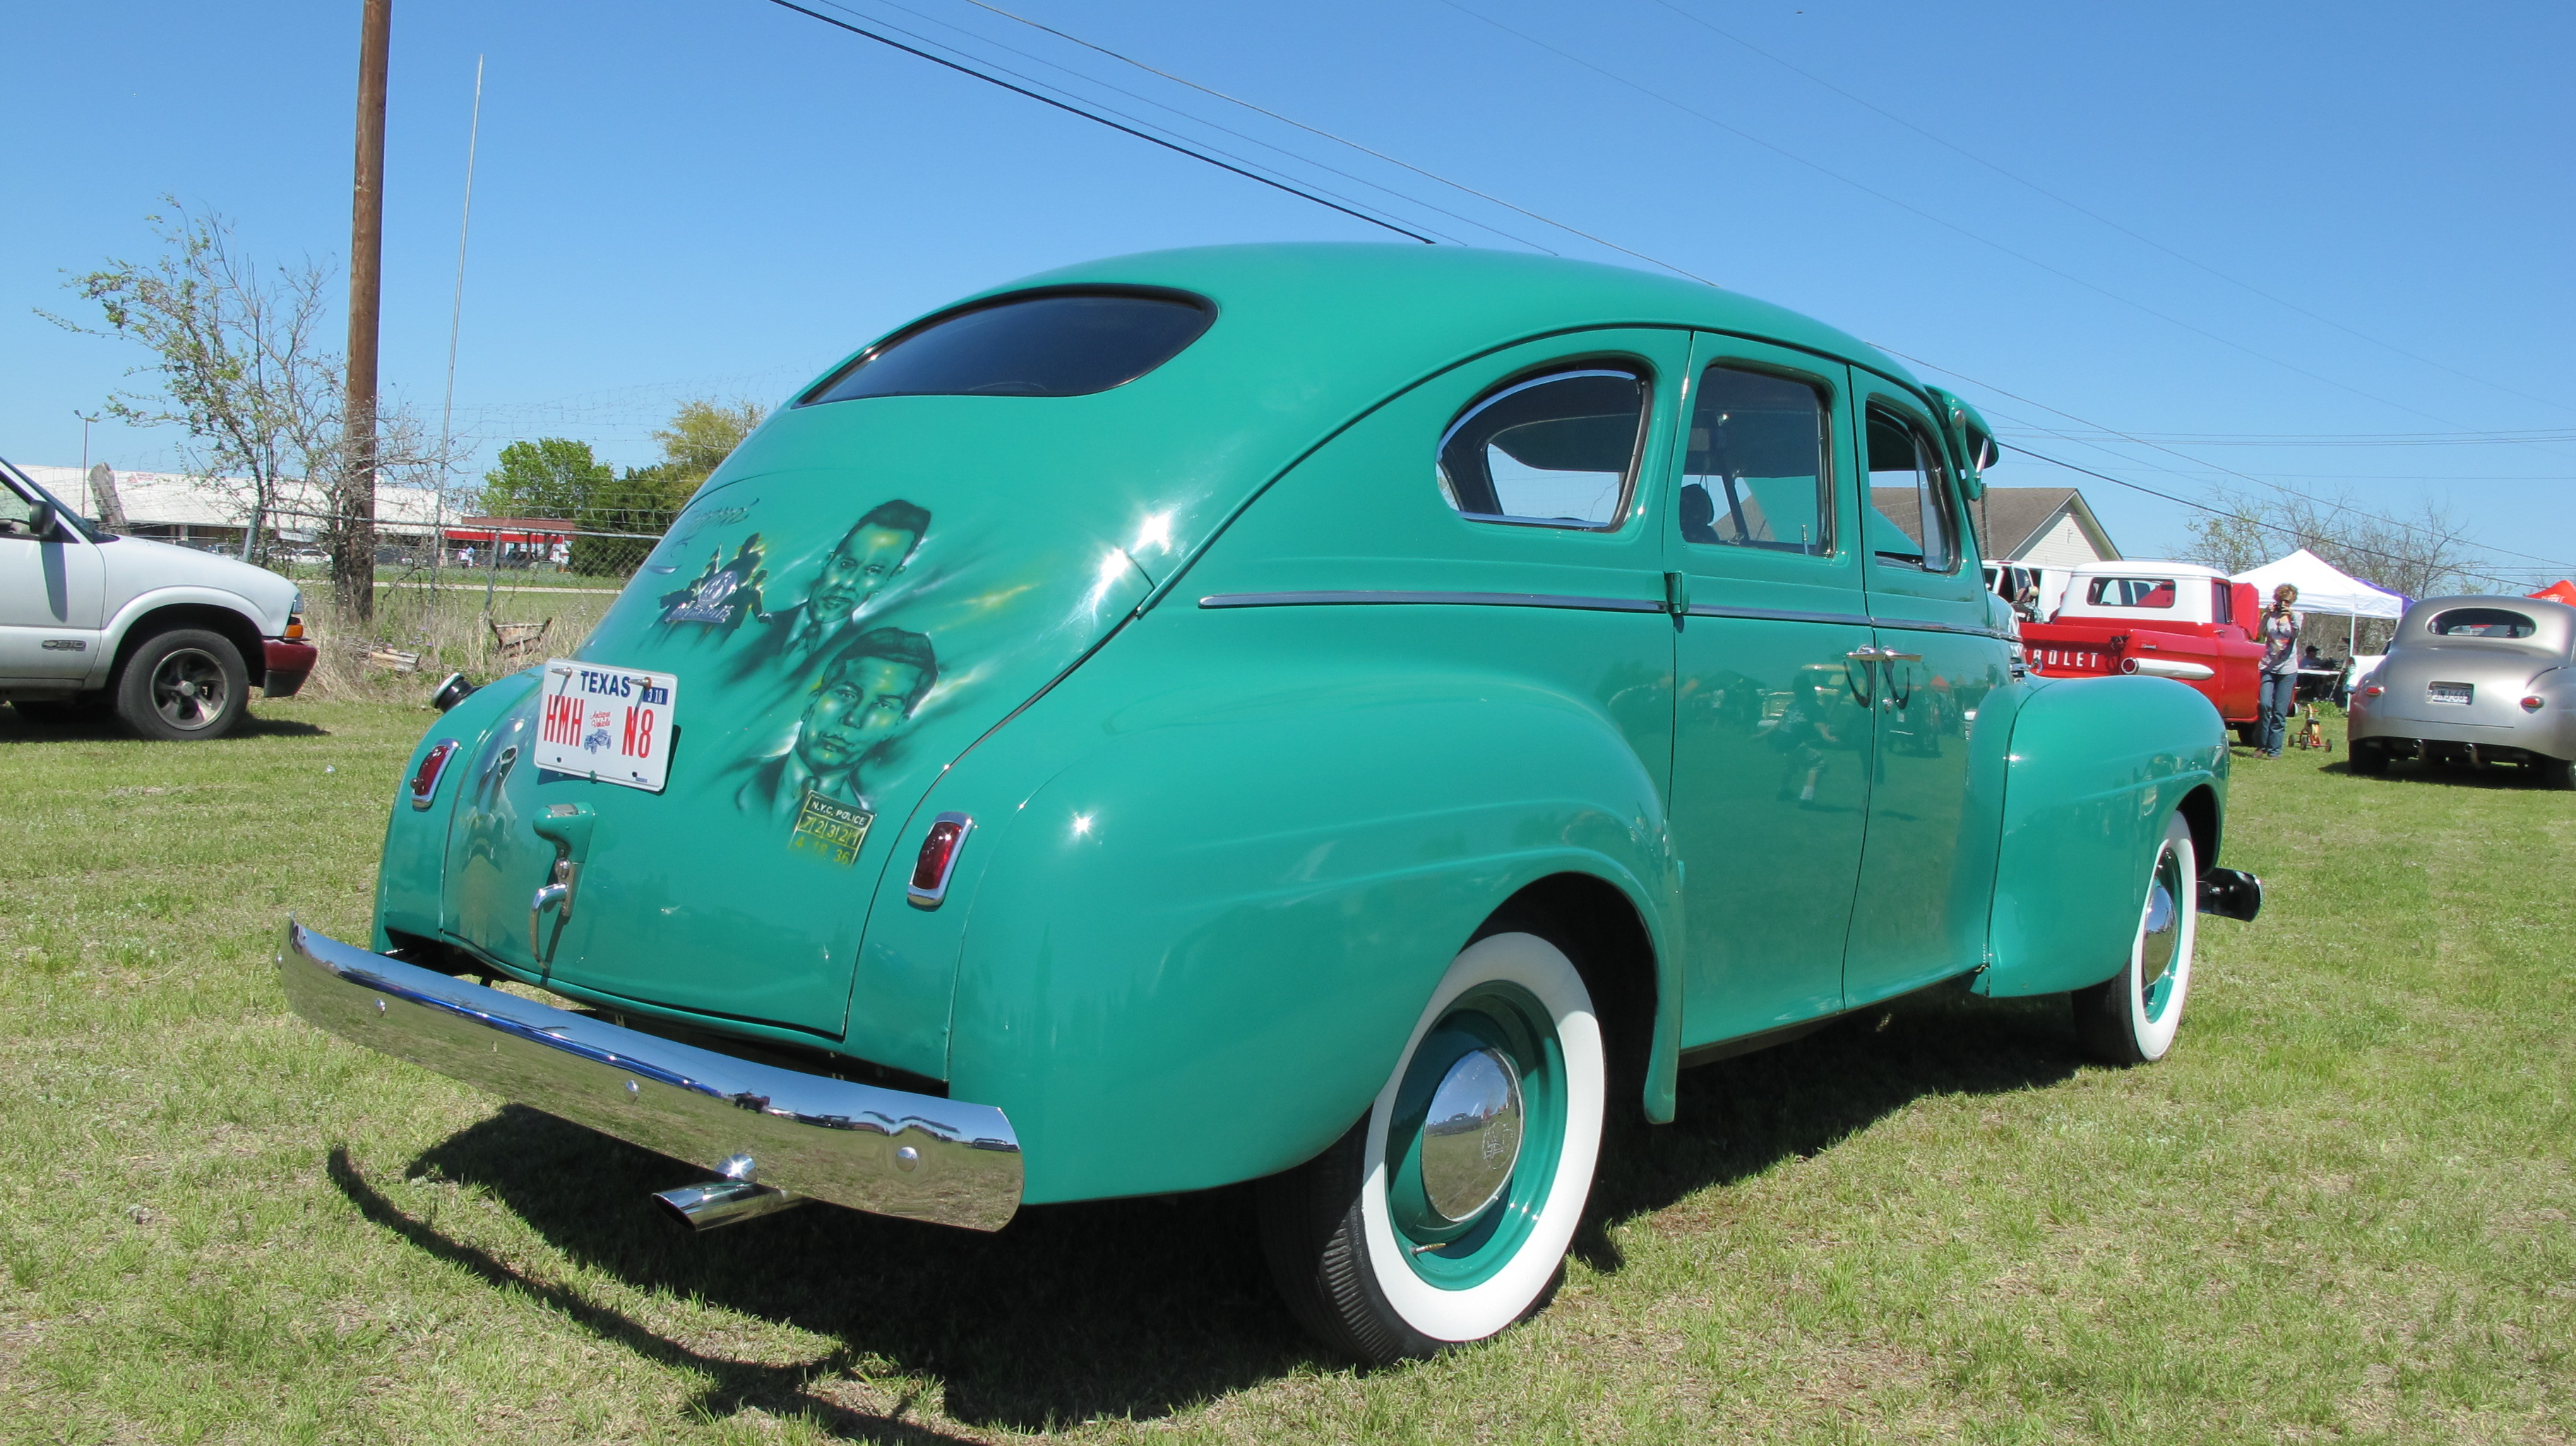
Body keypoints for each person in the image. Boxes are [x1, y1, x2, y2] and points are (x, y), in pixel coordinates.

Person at [737, 627, 938, 842]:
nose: (853, 718)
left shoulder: (867, 830)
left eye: (883, 705)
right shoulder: (730, 779)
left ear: (896, 727)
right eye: (846, 693)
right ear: (813, 701)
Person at [746, 500, 930, 674]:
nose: (849, 582)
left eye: (873, 571)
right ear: (829, 560)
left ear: (889, 578)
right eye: (846, 564)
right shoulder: (754, 626)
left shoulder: (864, 659)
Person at [2256, 583, 2302, 757]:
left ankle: (2274, 750)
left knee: (2279, 711)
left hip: (2288, 669)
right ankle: (2261, 745)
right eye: (2282, 601)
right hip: (2268, 666)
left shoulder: (2296, 616)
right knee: (2265, 705)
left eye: (2288, 602)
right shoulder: (2271, 616)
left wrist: (2289, 617)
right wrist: (2266, 615)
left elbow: (2295, 634)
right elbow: (2259, 633)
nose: (2284, 604)